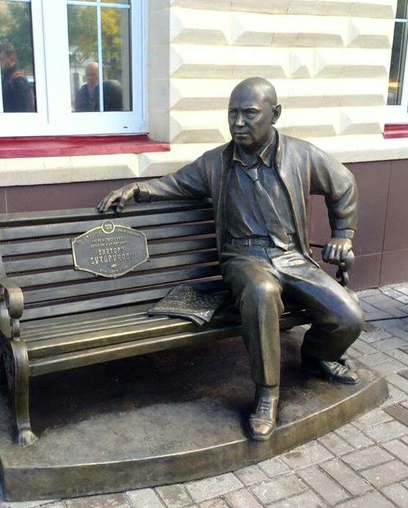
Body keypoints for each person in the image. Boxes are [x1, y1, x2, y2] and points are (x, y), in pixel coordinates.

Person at [98, 77, 364, 441]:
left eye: (249, 114)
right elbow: (173, 184)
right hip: (244, 258)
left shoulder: (302, 155)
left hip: (291, 256)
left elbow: (344, 184)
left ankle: (316, 356)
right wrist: (137, 188)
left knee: (348, 316)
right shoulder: (215, 164)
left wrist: (342, 235)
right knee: (261, 292)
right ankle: (267, 393)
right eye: (232, 114)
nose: (238, 123)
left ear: (275, 114)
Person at [0, 42, 35, 113]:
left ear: (11, 58)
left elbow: (26, 111)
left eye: (1, 59)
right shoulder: (5, 79)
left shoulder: (18, 80)